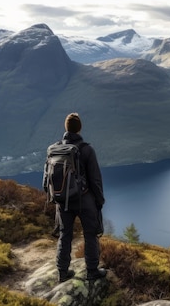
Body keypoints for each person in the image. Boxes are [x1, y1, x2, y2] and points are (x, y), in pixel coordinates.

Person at [54, 112, 107, 283]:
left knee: (65, 234)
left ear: (66, 128)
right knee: (90, 234)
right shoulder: (86, 150)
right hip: (84, 199)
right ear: (80, 128)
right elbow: (95, 179)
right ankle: (91, 271)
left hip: (63, 201)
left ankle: (62, 272)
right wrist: (99, 200)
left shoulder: (55, 150)